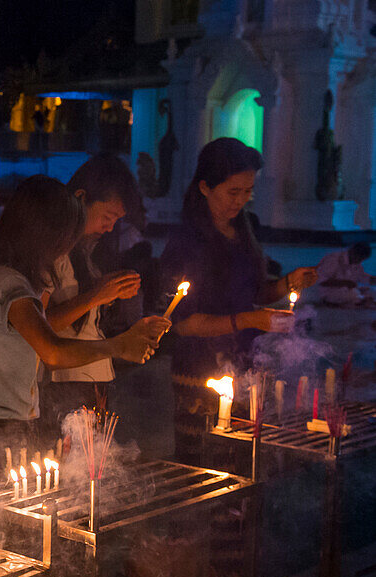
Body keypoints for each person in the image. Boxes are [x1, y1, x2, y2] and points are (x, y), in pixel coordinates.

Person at [0, 175, 169, 470]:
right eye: (67, 235)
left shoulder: (18, 282)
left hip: (12, 419)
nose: (70, 244)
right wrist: (118, 346)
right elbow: (52, 351)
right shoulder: (7, 284)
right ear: (46, 234)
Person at [160, 138, 318, 461]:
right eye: (233, 192)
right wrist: (249, 320)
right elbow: (184, 324)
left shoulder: (241, 231)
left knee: (242, 458)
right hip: (201, 370)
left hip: (244, 364)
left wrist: (288, 282)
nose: (241, 201)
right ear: (205, 187)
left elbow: (254, 291)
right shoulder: (186, 243)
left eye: (247, 192)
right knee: (205, 462)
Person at [41, 154, 143, 442]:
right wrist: (96, 294)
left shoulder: (87, 252)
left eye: (117, 220)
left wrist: (112, 292)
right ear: (81, 197)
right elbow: (42, 322)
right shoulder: (51, 253)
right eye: (107, 216)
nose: (110, 227)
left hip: (96, 375)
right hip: (65, 381)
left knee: (93, 465)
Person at [315, 241, 375, 306]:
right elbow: (321, 281)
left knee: (372, 291)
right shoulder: (333, 259)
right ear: (353, 252)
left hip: (346, 290)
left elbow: (362, 277)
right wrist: (345, 283)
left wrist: (373, 279)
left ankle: (362, 300)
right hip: (328, 292)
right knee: (353, 294)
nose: (360, 261)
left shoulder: (356, 263)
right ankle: (362, 300)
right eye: (360, 259)